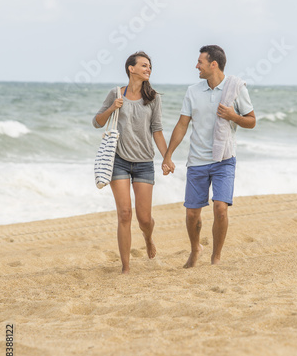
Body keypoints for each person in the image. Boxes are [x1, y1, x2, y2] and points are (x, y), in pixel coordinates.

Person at [162, 45, 256, 268]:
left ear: (213, 64)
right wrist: (168, 155)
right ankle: (196, 249)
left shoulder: (236, 89)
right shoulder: (193, 91)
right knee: (193, 213)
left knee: (220, 209)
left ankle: (216, 256)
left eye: (200, 62)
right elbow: (182, 125)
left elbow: (251, 121)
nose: (196, 66)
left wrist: (233, 116)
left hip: (224, 159)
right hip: (197, 161)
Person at [93, 51, 169, 274]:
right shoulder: (116, 93)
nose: (148, 69)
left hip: (145, 162)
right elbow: (97, 122)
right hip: (119, 161)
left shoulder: (153, 98)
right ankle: (125, 267)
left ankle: (148, 237)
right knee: (124, 213)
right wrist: (112, 108)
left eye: (150, 66)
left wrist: (167, 158)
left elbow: (157, 130)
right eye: (144, 65)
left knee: (144, 219)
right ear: (131, 68)